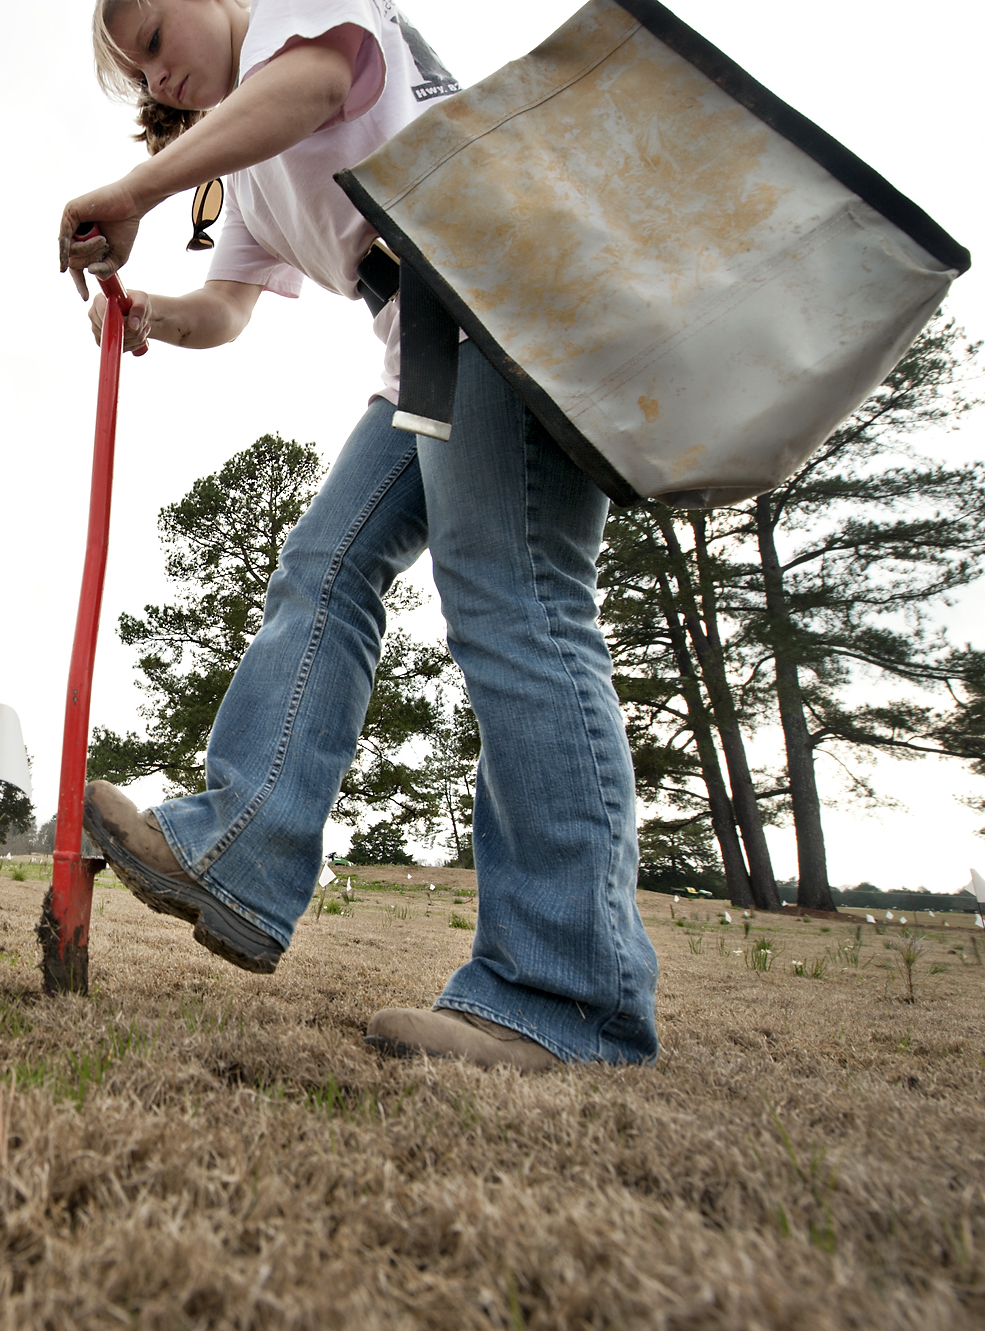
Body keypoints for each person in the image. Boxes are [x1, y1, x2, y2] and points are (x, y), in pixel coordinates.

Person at [58, 0, 657, 1070]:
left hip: (505, 290)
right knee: (322, 568)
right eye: (137, 78)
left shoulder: (297, 20)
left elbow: (321, 85)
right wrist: (148, 314)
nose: (157, 80)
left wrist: (137, 188)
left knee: (513, 601)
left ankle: (565, 993)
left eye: (152, 39)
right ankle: (241, 850)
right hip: (420, 344)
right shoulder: (239, 164)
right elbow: (229, 306)